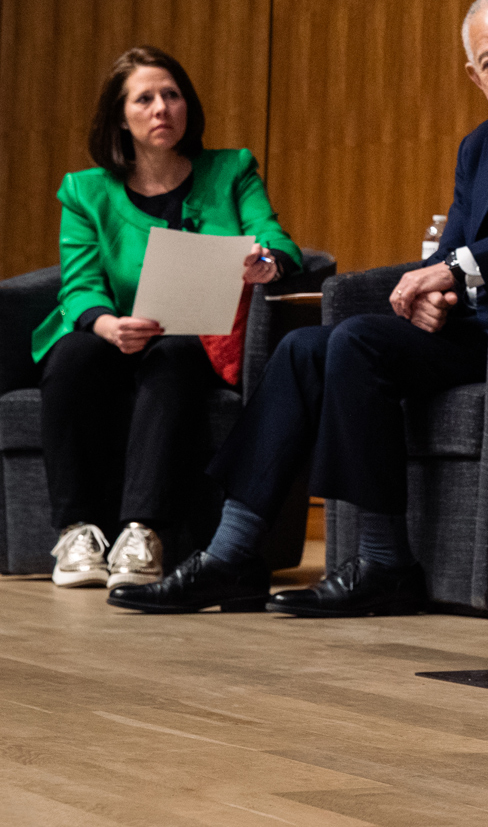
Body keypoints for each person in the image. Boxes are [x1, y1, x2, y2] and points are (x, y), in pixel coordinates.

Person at [110, 0, 488, 614]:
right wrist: (431, 291)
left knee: (357, 342)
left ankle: (385, 565)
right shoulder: (478, 146)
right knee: (305, 346)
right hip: (474, 326)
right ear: (474, 76)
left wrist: (450, 272)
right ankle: (232, 554)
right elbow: (459, 245)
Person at [35, 46, 301, 593]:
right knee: (71, 355)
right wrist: (106, 323)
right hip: (112, 333)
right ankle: (78, 532)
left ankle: (141, 532)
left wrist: (266, 264)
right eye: (145, 98)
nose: (162, 109)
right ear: (120, 116)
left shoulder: (232, 170)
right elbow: (80, 282)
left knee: (176, 354)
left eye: (172, 95)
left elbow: (273, 236)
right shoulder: (85, 190)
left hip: (194, 335)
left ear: (188, 106)